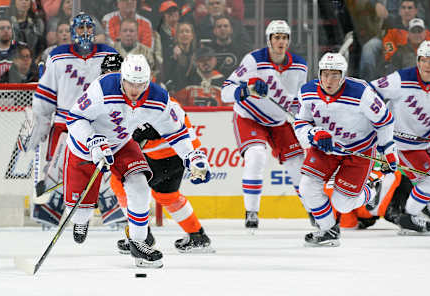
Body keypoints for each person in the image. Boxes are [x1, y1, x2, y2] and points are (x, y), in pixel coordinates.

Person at [63, 53, 211, 267]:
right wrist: (93, 141)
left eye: (140, 83)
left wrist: (193, 156)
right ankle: (80, 219)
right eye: (130, 83)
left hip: (122, 144)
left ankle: (139, 243)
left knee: (140, 187)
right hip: (84, 147)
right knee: (80, 212)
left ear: (148, 80)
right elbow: (74, 118)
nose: (135, 89)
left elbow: (178, 133)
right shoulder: (102, 88)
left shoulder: (158, 97)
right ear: (122, 78)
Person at [24, 13, 118, 228]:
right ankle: (48, 217)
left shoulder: (109, 55)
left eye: (88, 28)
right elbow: (45, 96)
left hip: (99, 123)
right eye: (80, 28)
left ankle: (116, 215)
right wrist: (40, 122)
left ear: (95, 30)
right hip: (64, 124)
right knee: (57, 170)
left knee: (106, 168)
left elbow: (119, 88)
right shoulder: (57, 57)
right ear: (72, 31)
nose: (84, 33)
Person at [294, 52, 397, 247]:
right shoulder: (307, 92)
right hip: (326, 148)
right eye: (325, 74)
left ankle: (371, 190)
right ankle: (328, 231)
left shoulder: (361, 92)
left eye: (335, 75)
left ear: (343, 75)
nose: (329, 80)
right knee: (307, 187)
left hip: (359, 151)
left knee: (342, 203)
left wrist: (389, 150)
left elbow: (384, 121)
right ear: (319, 73)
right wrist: (313, 134)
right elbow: (300, 123)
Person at [221, 20, 307, 230]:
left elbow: (301, 100)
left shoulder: (300, 65)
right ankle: (251, 211)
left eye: (284, 37)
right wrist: (246, 91)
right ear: (269, 40)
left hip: (278, 121)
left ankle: (314, 211)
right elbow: (225, 92)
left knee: (297, 163)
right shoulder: (253, 61)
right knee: (256, 155)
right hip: (250, 116)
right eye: (276, 37)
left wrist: (304, 119)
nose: (281, 41)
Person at [370, 40, 430, 235]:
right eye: (425, 60)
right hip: (405, 144)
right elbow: (370, 91)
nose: (428, 64)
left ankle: (426, 201)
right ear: (418, 61)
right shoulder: (401, 79)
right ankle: (409, 215)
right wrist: (380, 119)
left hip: (429, 139)